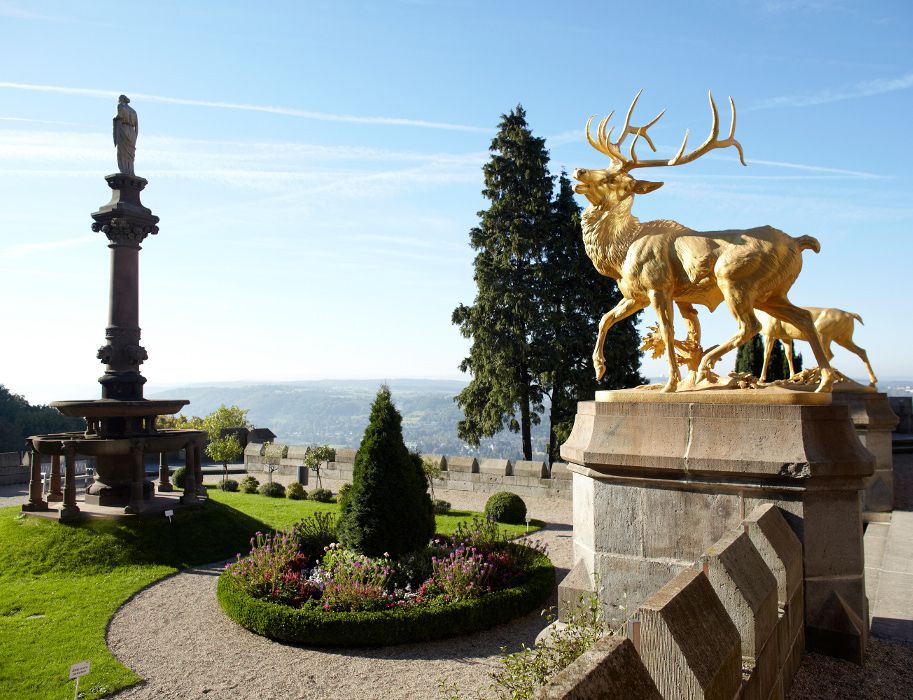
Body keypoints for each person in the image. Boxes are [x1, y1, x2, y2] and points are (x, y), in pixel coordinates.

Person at [113, 94, 138, 175]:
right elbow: (137, 127)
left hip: (123, 128)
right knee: (130, 153)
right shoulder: (133, 111)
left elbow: (120, 116)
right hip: (132, 132)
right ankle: (130, 170)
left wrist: (115, 119)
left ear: (121, 100)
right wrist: (135, 137)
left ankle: (124, 170)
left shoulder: (120, 106)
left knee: (122, 152)